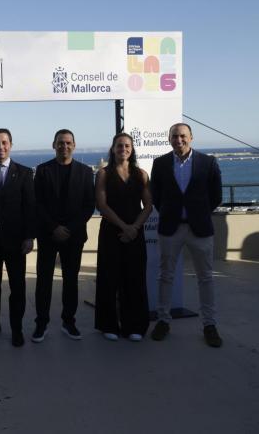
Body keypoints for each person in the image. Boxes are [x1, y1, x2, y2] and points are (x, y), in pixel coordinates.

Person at [150, 123, 223, 347]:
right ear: (169, 139)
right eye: (174, 136)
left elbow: (216, 196)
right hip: (170, 228)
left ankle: (209, 325)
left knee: (205, 277)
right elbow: (156, 196)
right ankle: (163, 320)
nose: (178, 140)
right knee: (166, 276)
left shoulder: (208, 162)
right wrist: (171, 213)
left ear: (191, 137)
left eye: (183, 136)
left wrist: (198, 213)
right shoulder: (160, 163)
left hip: (199, 228)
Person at [32, 129, 95, 343]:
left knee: (70, 280)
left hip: (74, 236)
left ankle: (69, 322)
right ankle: (41, 323)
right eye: (60, 143)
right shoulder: (42, 170)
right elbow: (37, 203)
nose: (64, 146)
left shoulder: (85, 172)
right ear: (54, 145)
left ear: (74, 145)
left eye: (68, 143)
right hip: (48, 234)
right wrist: (54, 228)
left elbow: (89, 205)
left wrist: (69, 228)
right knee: (44, 281)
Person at [0, 128, 36, 347]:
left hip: (16, 241)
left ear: (11, 145)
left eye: (4, 142)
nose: (0, 146)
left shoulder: (24, 173)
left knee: (17, 287)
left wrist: (29, 237)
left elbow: (30, 207)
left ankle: (16, 329)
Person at [94, 133, 152, 341]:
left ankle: (135, 326)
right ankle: (108, 325)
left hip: (135, 233)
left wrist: (134, 227)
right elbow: (101, 205)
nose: (123, 149)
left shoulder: (141, 174)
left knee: (135, 278)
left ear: (132, 149)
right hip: (111, 232)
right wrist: (124, 227)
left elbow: (148, 205)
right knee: (109, 278)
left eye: (127, 146)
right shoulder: (103, 174)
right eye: (119, 145)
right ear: (113, 149)